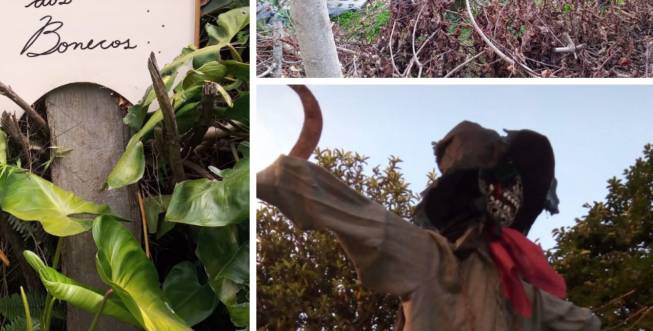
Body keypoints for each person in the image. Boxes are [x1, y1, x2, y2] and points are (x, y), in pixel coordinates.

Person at [257, 87, 601, 331]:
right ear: (474, 188)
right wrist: (279, 177)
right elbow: (363, 218)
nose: (510, 195)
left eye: (518, 186)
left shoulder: (526, 294)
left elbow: (586, 323)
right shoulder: (430, 257)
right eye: (499, 180)